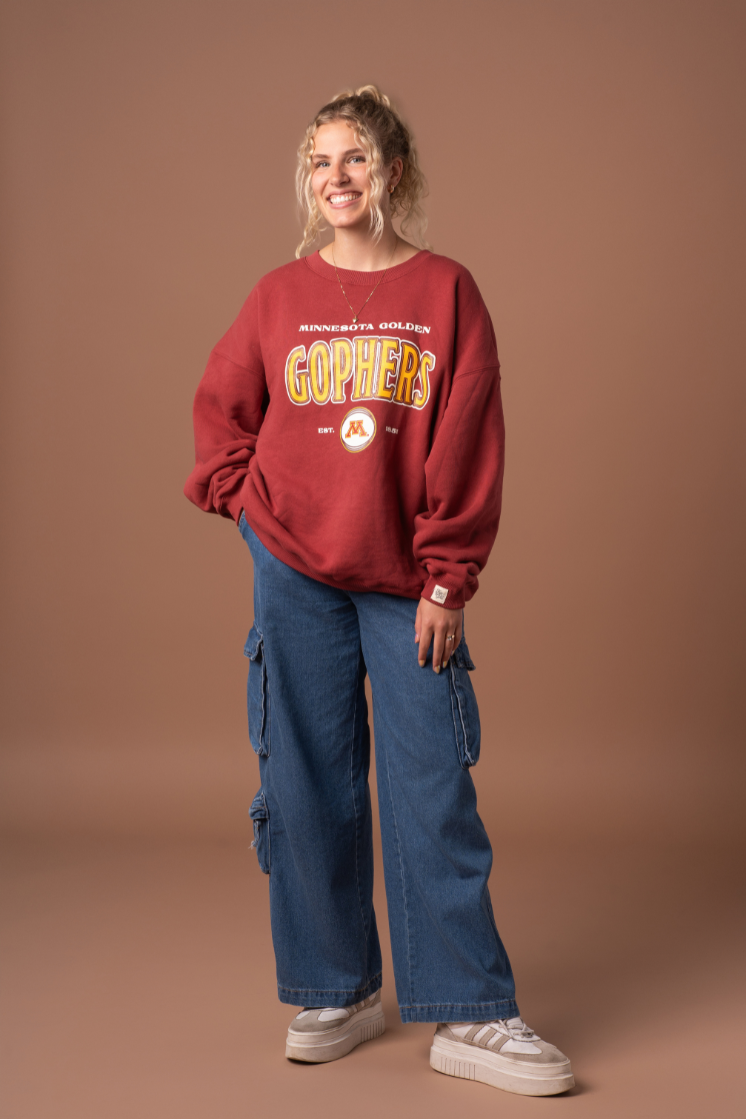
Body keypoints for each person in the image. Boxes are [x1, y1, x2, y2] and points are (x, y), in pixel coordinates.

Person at [184, 85, 574, 1097]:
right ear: (308, 182)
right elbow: (221, 412)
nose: (336, 178)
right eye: (319, 162)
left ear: (391, 172)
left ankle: (470, 1011)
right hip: (294, 575)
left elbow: (469, 436)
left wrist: (448, 575)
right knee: (304, 780)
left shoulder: (446, 292)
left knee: (430, 785)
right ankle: (337, 986)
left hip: (407, 580)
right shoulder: (276, 296)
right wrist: (245, 502)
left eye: (354, 157)